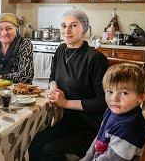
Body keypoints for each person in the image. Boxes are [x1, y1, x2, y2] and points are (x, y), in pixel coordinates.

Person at [29, 9, 109, 161]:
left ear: (84, 28)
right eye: (64, 25)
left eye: (73, 25)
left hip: (90, 126)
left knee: (48, 151)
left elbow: (103, 101)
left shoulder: (95, 59)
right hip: (68, 120)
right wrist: (54, 90)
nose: (67, 30)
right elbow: (52, 77)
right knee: (34, 143)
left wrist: (65, 102)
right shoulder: (60, 50)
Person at [81, 63, 145, 161]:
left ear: (141, 97)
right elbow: (99, 137)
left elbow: (111, 159)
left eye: (124, 93)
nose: (114, 99)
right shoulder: (111, 111)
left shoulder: (129, 126)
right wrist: (87, 158)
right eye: (110, 91)